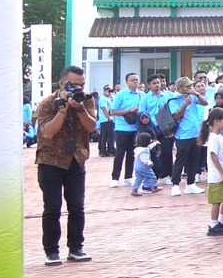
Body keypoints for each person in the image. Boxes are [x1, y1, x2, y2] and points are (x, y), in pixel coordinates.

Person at [32, 66, 97, 265]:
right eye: (74, 85)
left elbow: (91, 127)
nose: (79, 89)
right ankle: (51, 251)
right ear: (62, 84)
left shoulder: (86, 100)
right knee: (52, 208)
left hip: (76, 159)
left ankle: (76, 248)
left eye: (81, 85)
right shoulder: (48, 103)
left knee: (77, 206)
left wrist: (80, 108)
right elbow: (47, 133)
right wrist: (63, 109)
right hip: (50, 160)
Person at [167, 77, 209, 195]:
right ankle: (175, 184)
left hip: (196, 134)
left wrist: (196, 94)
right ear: (180, 88)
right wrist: (185, 105)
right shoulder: (174, 100)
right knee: (181, 160)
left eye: (191, 86)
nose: (190, 88)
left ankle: (191, 184)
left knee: (194, 160)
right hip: (183, 135)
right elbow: (176, 116)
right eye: (188, 86)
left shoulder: (193, 97)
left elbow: (205, 103)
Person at [106, 73, 144, 187]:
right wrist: (129, 110)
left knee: (132, 154)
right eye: (133, 80)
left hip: (136, 128)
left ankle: (128, 177)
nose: (135, 82)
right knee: (120, 153)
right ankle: (115, 178)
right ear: (127, 82)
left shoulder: (142, 95)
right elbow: (112, 112)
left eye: (137, 80)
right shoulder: (120, 95)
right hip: (122, 128)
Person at [203, 107, 223, 236]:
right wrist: (221, 173)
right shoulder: (213, 138)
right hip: (217, 176)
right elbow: (213, 155)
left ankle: (222, 220)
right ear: (216, 121)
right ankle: (213, 224)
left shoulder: (220, 137)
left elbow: (222, 154)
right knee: (217, 200)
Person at [140, 75, 173, 183]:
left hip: (165, 126)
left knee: (167, 151)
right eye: (154, 83)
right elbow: (142, 113)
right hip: (151, 127)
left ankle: (167, 175)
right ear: (149, 85)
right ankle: (154, 176)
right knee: (153, 152)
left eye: (158, 82)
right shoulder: (145, 98)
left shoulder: (168, 96)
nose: (157, 85)